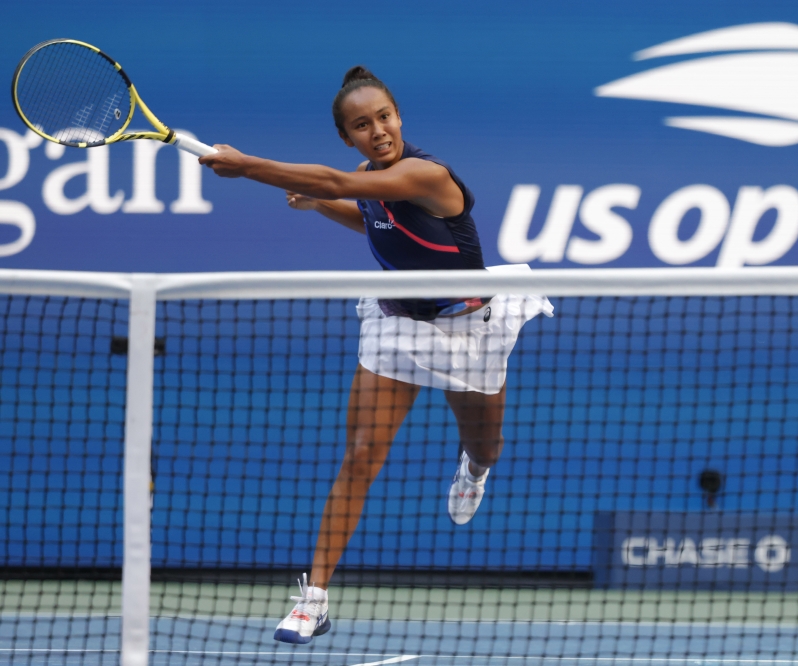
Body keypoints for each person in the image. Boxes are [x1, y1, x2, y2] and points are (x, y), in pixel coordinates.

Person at [199, 66, 552, 644]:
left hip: (469, 328)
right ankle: (313, 599)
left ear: (399, 118)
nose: (377, 130)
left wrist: (248, 168)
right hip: (398, 327)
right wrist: (318, 206)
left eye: (384, 117)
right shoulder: (370, 177)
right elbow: (367, 216)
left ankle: (475, 467)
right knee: (361, 455)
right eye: (362, 125)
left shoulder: (426, 173)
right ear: (349, 137)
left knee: (487, 444)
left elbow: (340, 186)